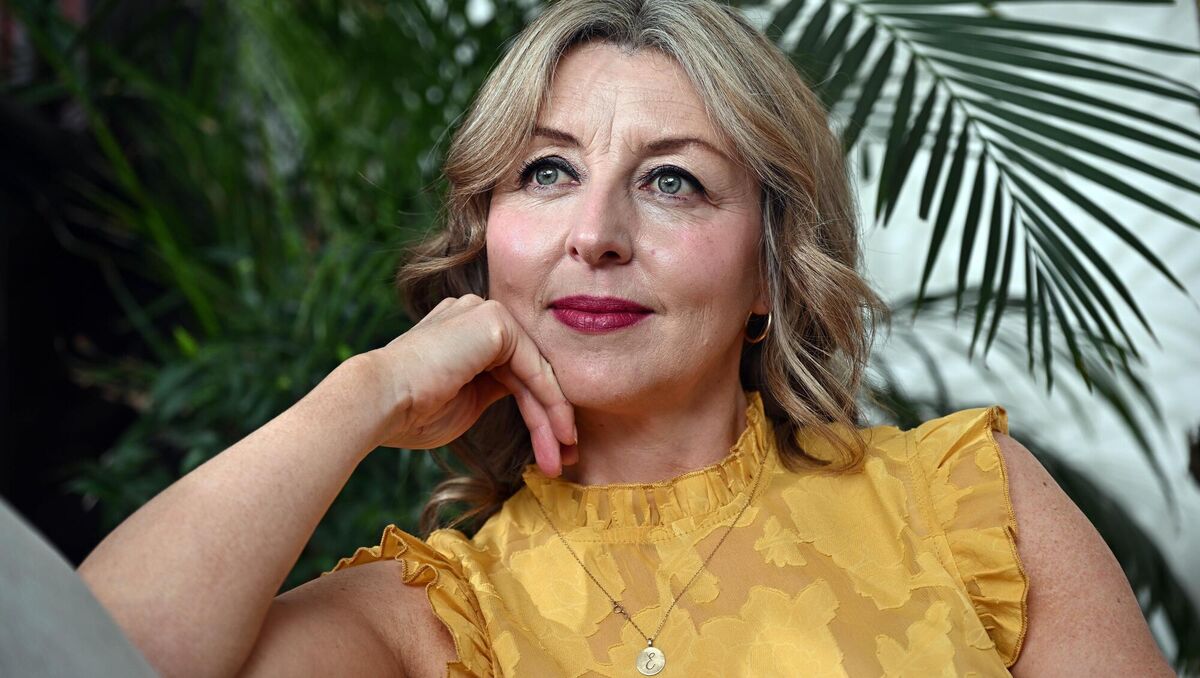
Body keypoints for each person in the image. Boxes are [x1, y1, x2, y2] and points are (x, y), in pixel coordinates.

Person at [77, 0, 1175, 676]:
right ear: (488, 241)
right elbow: (90, 657)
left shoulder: (969, 504)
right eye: (547, 171)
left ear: (770, 268)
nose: (595, 233)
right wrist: (360, 396)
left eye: (672, 181)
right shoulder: (438, 618)